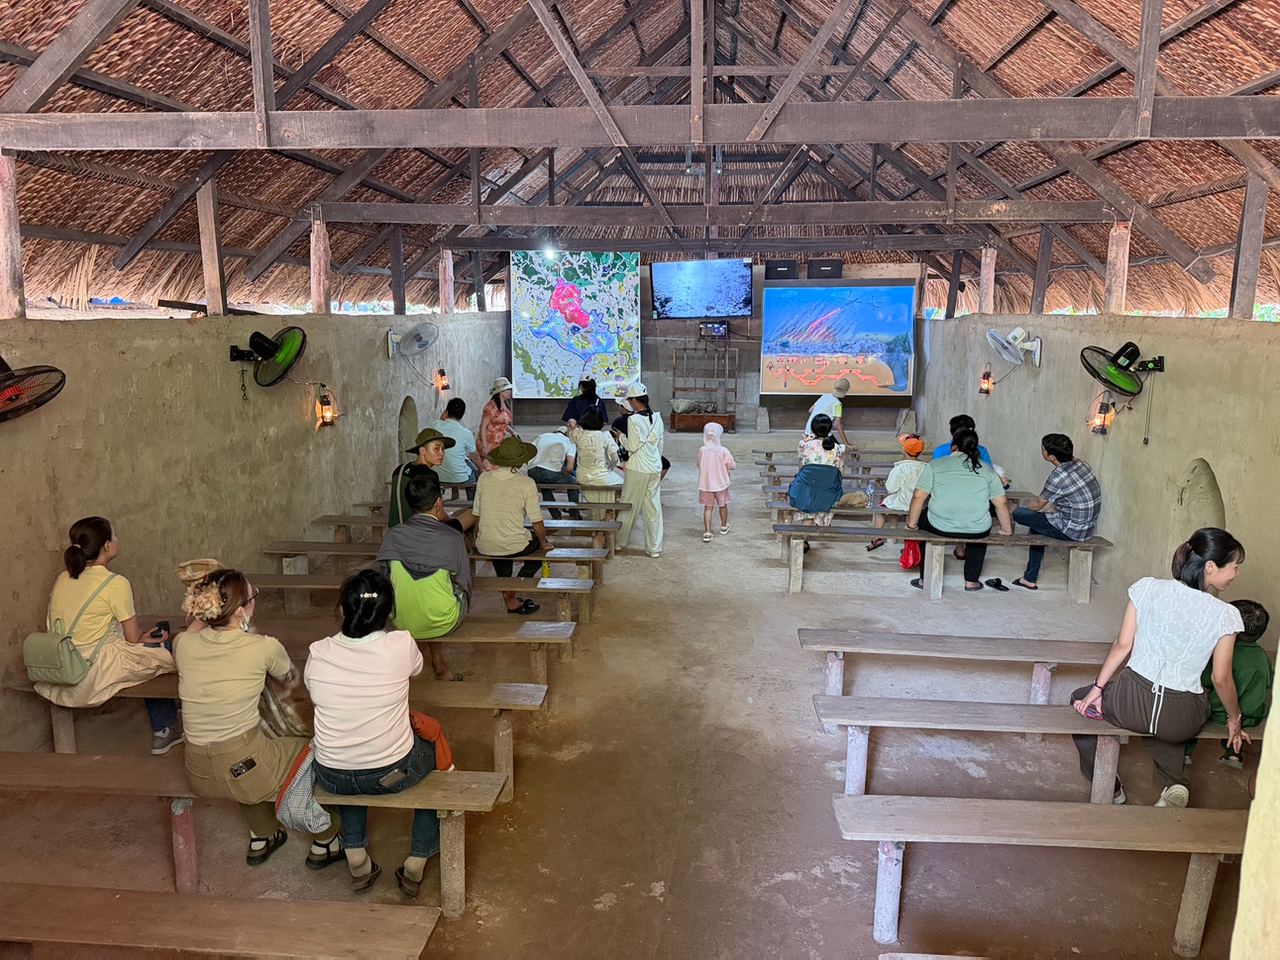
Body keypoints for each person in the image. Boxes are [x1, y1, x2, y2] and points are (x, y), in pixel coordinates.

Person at [176, 568, 344, 868]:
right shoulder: (263, 646)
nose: (255, 602)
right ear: (240, 611)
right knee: (313, 749)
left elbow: (196, 627)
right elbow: (290, 677)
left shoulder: (183, 644)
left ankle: (262, 834)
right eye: (252, 597)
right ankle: (326, 837)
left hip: (197, 771)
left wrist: (206, 609)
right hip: (246, 768)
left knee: (249, 754)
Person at [1071, 528, 1250, 808]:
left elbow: (1122, 645)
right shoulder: (1225, 615)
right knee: (1166, 727)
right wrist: (1234, 719)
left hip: (1129, 703)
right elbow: (1221, 678)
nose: (1236, 574)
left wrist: (1097, 689)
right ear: (1211, 567)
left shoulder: (1147, 588)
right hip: (1182, 717)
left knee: (1079, 698)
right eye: (1235, 567)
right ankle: (1173, 782)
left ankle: (1111, 788)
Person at [306, 569, 445, 896]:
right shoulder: (401, 643)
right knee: (434, 756)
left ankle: (355, 850)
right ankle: (418, 856)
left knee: (349, 756)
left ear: (342, 609)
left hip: (331, 775)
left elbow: (314, 690)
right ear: (389, 611)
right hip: (392, 774)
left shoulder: (319, 651)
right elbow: (416, 670)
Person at [37, 517, 179, 755]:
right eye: (115, 535)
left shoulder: (63, 577)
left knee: (154, 651)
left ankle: (166, 724)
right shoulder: (115, 583)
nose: (117, 539)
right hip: (92, 672)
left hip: (61, 663)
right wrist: (147, 639)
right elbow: (133, 638)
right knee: (166, 651)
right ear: (106, 546)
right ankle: (163, 729)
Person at [377, 471, 472, 682]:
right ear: (439, 503)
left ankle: (424, 663)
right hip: (445, 620)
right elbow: (464, 581)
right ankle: (438, 663)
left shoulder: (392, 535)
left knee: (413, 592)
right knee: (446, 590)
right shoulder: (452, 537)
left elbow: (384, 579)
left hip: (401, 620)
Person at [904, 428, 1013, 591]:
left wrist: (911, 525)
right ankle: (972, 581)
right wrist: (1007, 530)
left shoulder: (936, 464)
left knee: (922, 520)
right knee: (981, 526)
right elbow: (1001, 502)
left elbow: (919, 496)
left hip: (939, 526)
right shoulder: (986, 468)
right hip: (976, 528)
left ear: (953, 446)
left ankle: (924, 579)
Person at [1185, 599, 1273, 769]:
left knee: (1193, 711)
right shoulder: (1263, 657)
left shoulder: (1221, 655)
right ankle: (1234, 753)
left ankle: (1186, 752)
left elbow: (1205, 680)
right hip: (1252, 716)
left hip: (1217, 714)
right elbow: (1269, 682)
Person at [1011, 433, 1103, 591]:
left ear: (1051, 457)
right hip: (1087, 527)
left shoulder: (1057, 477)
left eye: (1043, 449)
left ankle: (1030, 577)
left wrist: (1014, 507)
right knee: (1037, 527)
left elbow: (1037, 506)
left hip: (1071, 530)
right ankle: (1029, 578)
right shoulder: (1081, 464)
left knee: (1018, 513)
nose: (1041, 451)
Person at [474, 435, 554, 614]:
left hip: (486, 543)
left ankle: (509, 595)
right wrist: (544, 543)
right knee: (539, 552)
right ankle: (512, 588)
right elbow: (537, 522)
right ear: (521, 461)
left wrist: (479, 536)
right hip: (513, 544)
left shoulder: (484, 478)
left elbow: (477, 515)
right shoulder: (526, 483)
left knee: (500, 546)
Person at [389, 428, 475, 531]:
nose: (441, 453)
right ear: (422, 450)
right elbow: (439, 514)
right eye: (436, 449)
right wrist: (453, 520)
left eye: (443, 449)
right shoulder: (429, 475)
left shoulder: (399, 469)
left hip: (396, 529)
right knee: (472, 513)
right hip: (421, 531)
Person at [615, 384, 665, 558]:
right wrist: (656, 462)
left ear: (635, 400)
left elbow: (632, 446)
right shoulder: (657, 418)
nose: (630, 404)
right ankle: (654, 548)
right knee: (653, 509)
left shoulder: (634, 420)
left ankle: (618, 542)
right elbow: (660, 446)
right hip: (654, 468)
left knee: (629, 505)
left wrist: (621, 437)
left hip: (637, 468)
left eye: (630, 400)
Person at [789, 414, 846, 552]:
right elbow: (840, 472)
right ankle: (808, 535)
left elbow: (801, 467)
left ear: (813, 429)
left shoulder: (805, 445)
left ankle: (803, 539)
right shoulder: (839, 449)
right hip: (828, 492)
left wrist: (807, 441)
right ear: (829, 429)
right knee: (818, 494)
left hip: (805, 490)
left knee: (807, 495)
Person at [867, 434, 927, 552]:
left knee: (880, 509)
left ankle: (877, 538)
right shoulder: (926, 467)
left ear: (904, 450)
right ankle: (908, 545)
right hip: (920, 504)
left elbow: (891, 488)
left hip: (902, 502)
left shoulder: (900, 468)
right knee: (910, 516)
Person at [567, 408, 622, 518]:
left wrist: (572, 424)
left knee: (602, 489)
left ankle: (601, 515)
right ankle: (608, 513)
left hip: (582, 477)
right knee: (623, 483)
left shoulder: (578, 434)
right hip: (602, 477)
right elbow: (615, 458)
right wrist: (610, 466)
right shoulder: (604, 435)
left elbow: (570, 429)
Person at [528, 427, 579, 520]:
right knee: (574, 484)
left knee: (544, 486)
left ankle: (556, 515)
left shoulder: (542, 436)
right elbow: (570, 468)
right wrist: (563, 476)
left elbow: (528, 454)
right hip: (551, 473)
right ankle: (574, 513)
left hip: (532, 472)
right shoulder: (569, 441)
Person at [697, 422, 736, 543]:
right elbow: (731, 465)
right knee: (723, 505)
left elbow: (699, 464)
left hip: (706, 484)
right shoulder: (723, 450)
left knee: (708, 507)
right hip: (721, 483)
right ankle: (724, 526)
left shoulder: (702, 450)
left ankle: (707, 532)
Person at [430, 397, 482, 486]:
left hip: (438, 476)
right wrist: (481, 470)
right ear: (462, 415)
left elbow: (441, 419)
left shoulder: (435, 425)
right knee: (474, 472)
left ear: (446, 412)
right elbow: (475, 456)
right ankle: (471, 495)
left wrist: (446, 413)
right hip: (459, 478)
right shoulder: (466, 433)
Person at [478, 378, 516, 471]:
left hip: (498, 442)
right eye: (507, 389)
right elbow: (483, 427)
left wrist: (512, 432)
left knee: (498, 469)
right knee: (490, 470)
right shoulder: (491, 407)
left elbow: (503, 423)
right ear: (501, 392)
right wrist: (485, 446)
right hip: (489, 442)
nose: (510, 391)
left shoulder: (505, 405)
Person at [804, 378, 851, 447]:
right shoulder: (837, 404)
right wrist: (846, 444)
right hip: (819, 433)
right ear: (846, 391)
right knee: (836, 449)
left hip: (808, 430)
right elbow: (838, 425)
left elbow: (810, 410)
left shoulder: (824, 396)